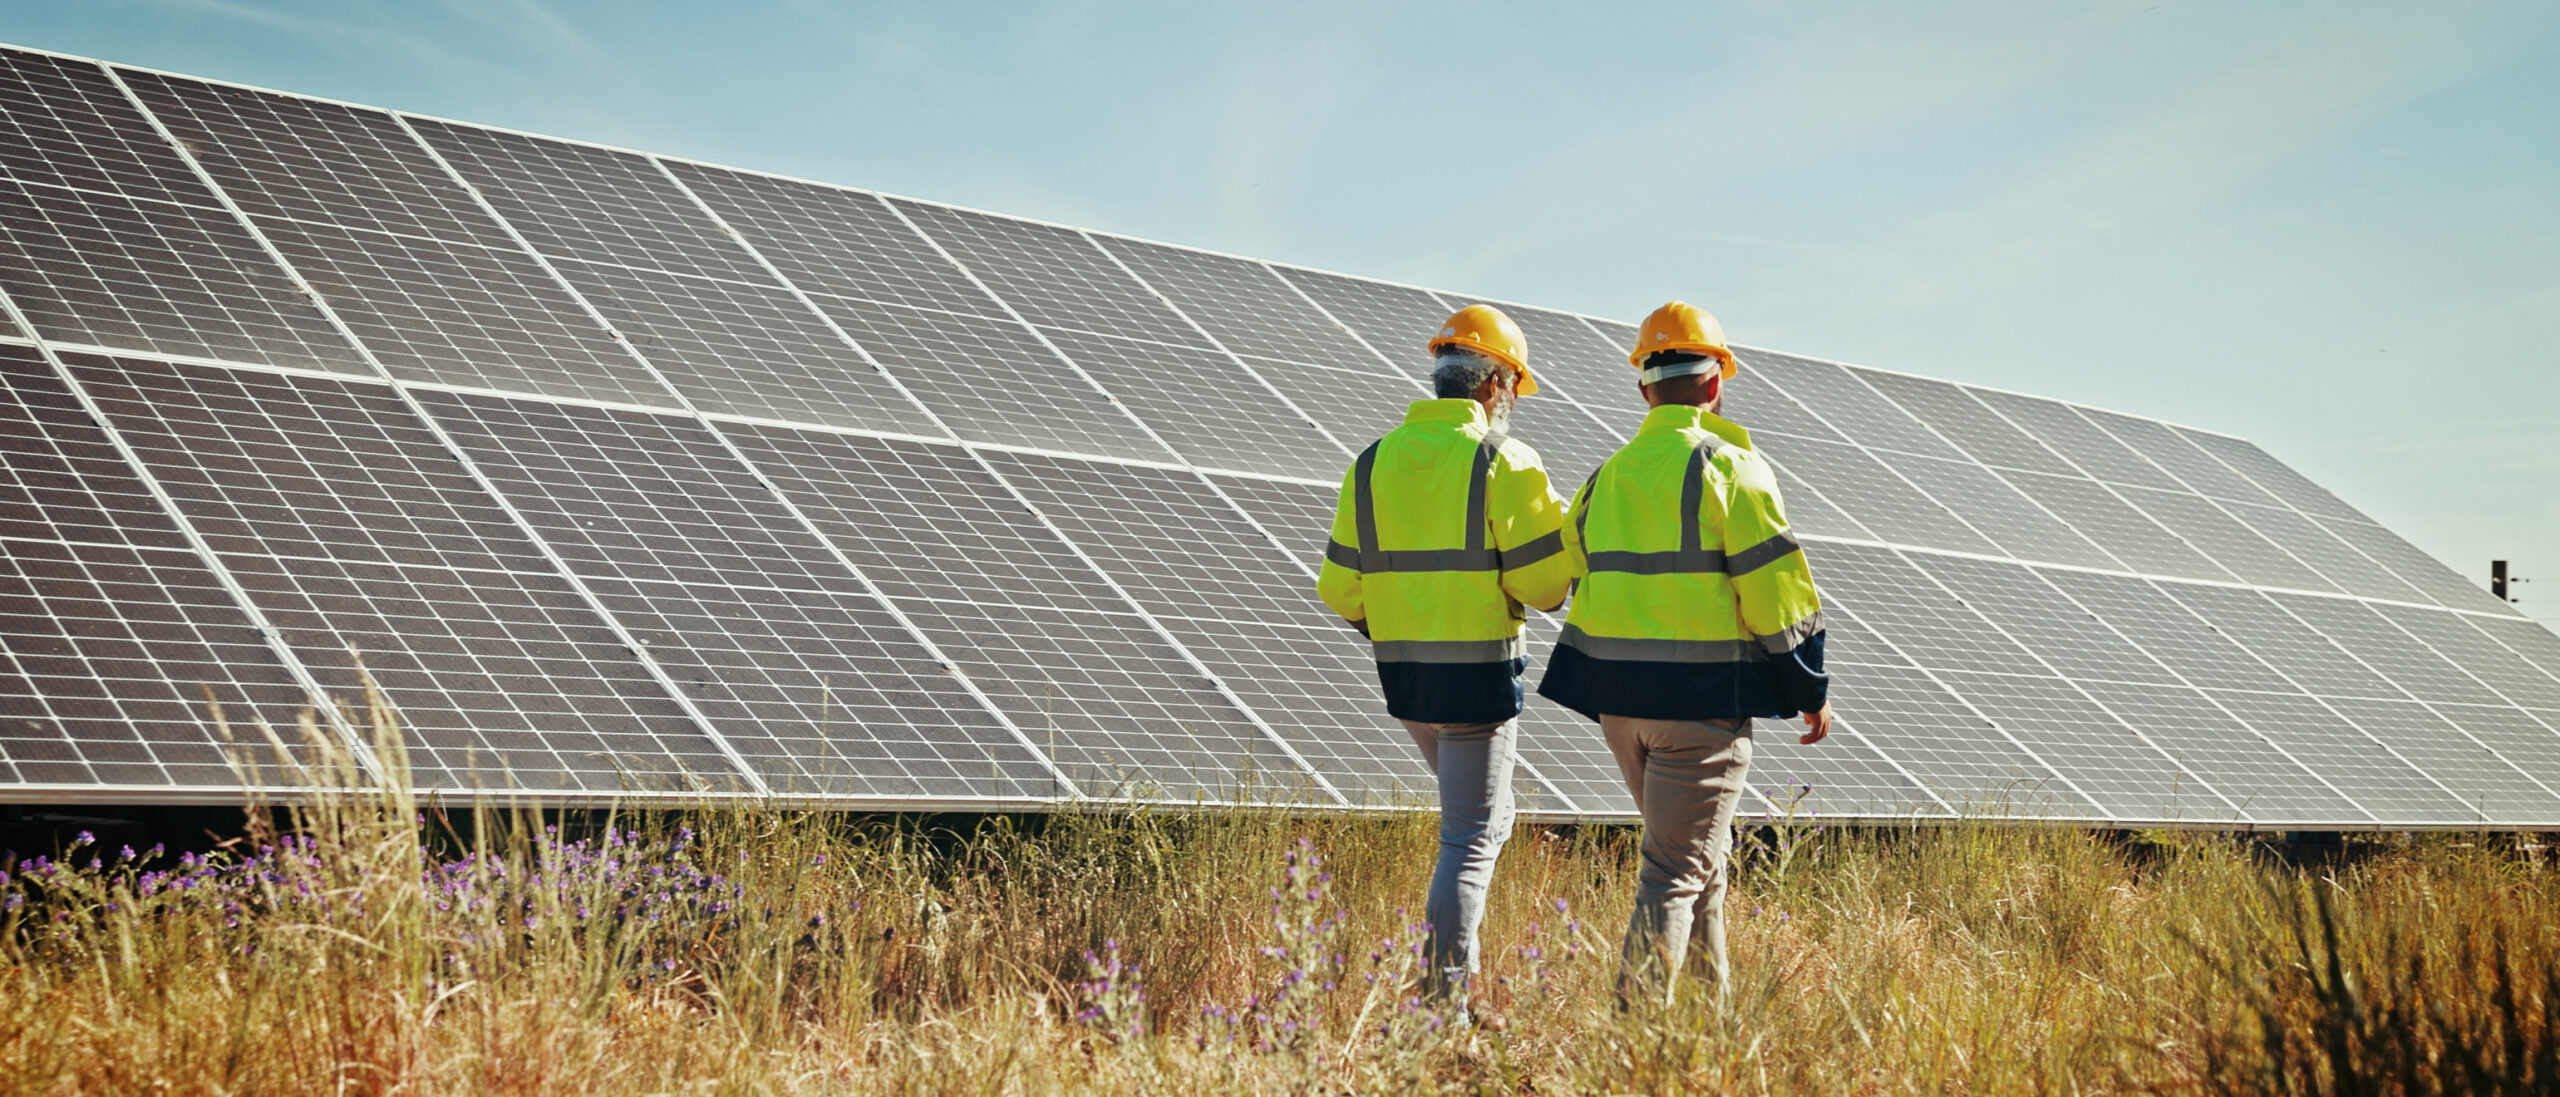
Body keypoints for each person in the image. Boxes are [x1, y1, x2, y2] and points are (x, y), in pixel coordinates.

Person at [1537, 300, 1835, 1007]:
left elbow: (1558, 576)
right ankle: (1636, 1043)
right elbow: (1777, 592)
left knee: (1703, 863)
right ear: (1715, 383)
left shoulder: (1606, 475)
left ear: (1644, 387)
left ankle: (1708, 1026)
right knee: (1675, 868)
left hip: (1619, 709)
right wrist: (1809, 683)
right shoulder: (1732, 467)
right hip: (1699, 708)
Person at [1315, 304, 1572, 1009]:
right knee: (1468, 837)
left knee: (1487, 819)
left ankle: (1459, 990)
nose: (1512, 399)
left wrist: (1406, 620)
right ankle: (1440, 1008)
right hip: (1479, 685)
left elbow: (1339, 588)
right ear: (1493, 383)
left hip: (1408, 683)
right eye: (1513, 385)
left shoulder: (1371, 462)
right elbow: (1546, 587)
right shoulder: (1502, 460)